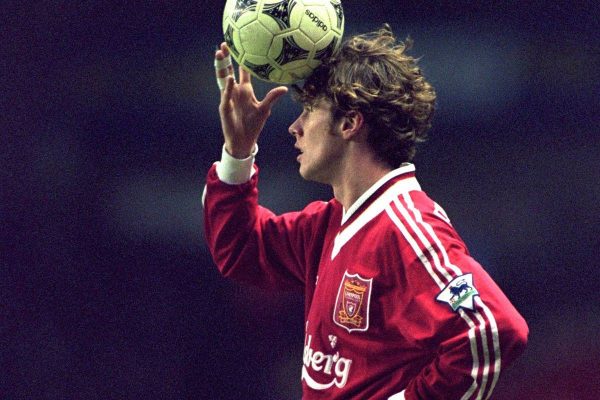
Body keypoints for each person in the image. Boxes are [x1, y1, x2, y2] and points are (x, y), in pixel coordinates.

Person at [203, 25, 528, 400]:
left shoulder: (405, 228)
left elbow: (492, 330)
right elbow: (240, 250)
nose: (294, 128)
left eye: (309, 111)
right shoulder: (329, 224)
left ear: (349, 123)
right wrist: (238, 151)